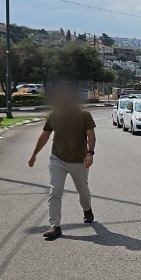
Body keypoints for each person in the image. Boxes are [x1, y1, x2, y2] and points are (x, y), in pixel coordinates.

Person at [28, 83, 96, 240]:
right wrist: (34, 154)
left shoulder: (84, 115)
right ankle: (55, 226)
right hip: (57, 159)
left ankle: (87, 209)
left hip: (79, 160)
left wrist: (90, 153)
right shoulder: (54, 115)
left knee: (83, 191)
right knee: (55, 190)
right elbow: (45, 135)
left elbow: (91, 136)